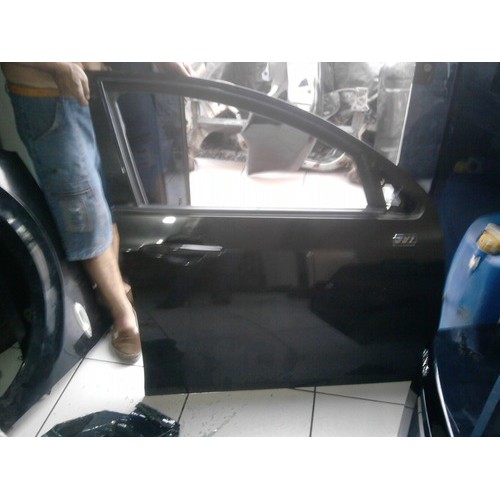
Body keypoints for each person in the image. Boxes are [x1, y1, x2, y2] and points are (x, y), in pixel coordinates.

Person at [0, 62, 189, 362]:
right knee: (84, 216)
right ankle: (122, 314)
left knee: (101, 204)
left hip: (73, 96)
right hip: (44, 98)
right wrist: (60, 65)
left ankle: (114, 288)